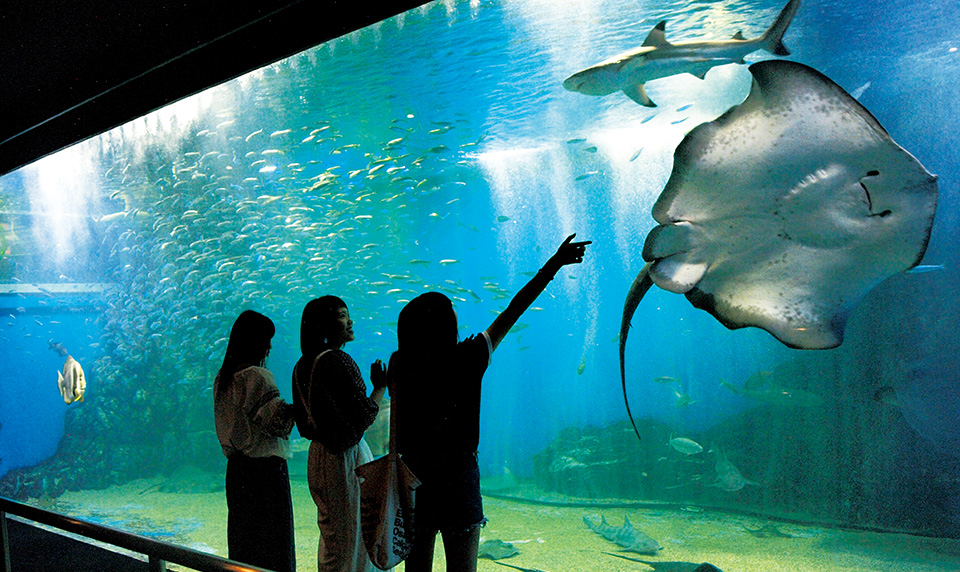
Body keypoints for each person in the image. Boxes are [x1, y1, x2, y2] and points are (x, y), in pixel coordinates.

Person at [389, 233, 590, 572]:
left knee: (416, 568)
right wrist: (554, 263)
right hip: (459, 478)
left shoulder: (399, 364)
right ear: (447, 326)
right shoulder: (469, 357)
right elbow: (514, 309)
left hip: (414, 479)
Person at [293, 296, 388, 572]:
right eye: (342, 316)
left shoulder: (301, 365)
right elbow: (364, 416)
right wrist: (380, 387)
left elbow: (303, 424)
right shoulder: (340, 361)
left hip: (318, 456)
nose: (350, 321)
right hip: (345, 458)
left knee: (333, 533)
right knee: (354, 533)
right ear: (324, 325)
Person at [213, 310, 296, 572]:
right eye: (266, 339)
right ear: (255, 341)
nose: (270, 346)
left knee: (243, 547)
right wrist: (299, 407)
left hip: (237, 473)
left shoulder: (222, 378)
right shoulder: (257, 377)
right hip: (265, 475)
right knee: (274, 550)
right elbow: (278, 424)